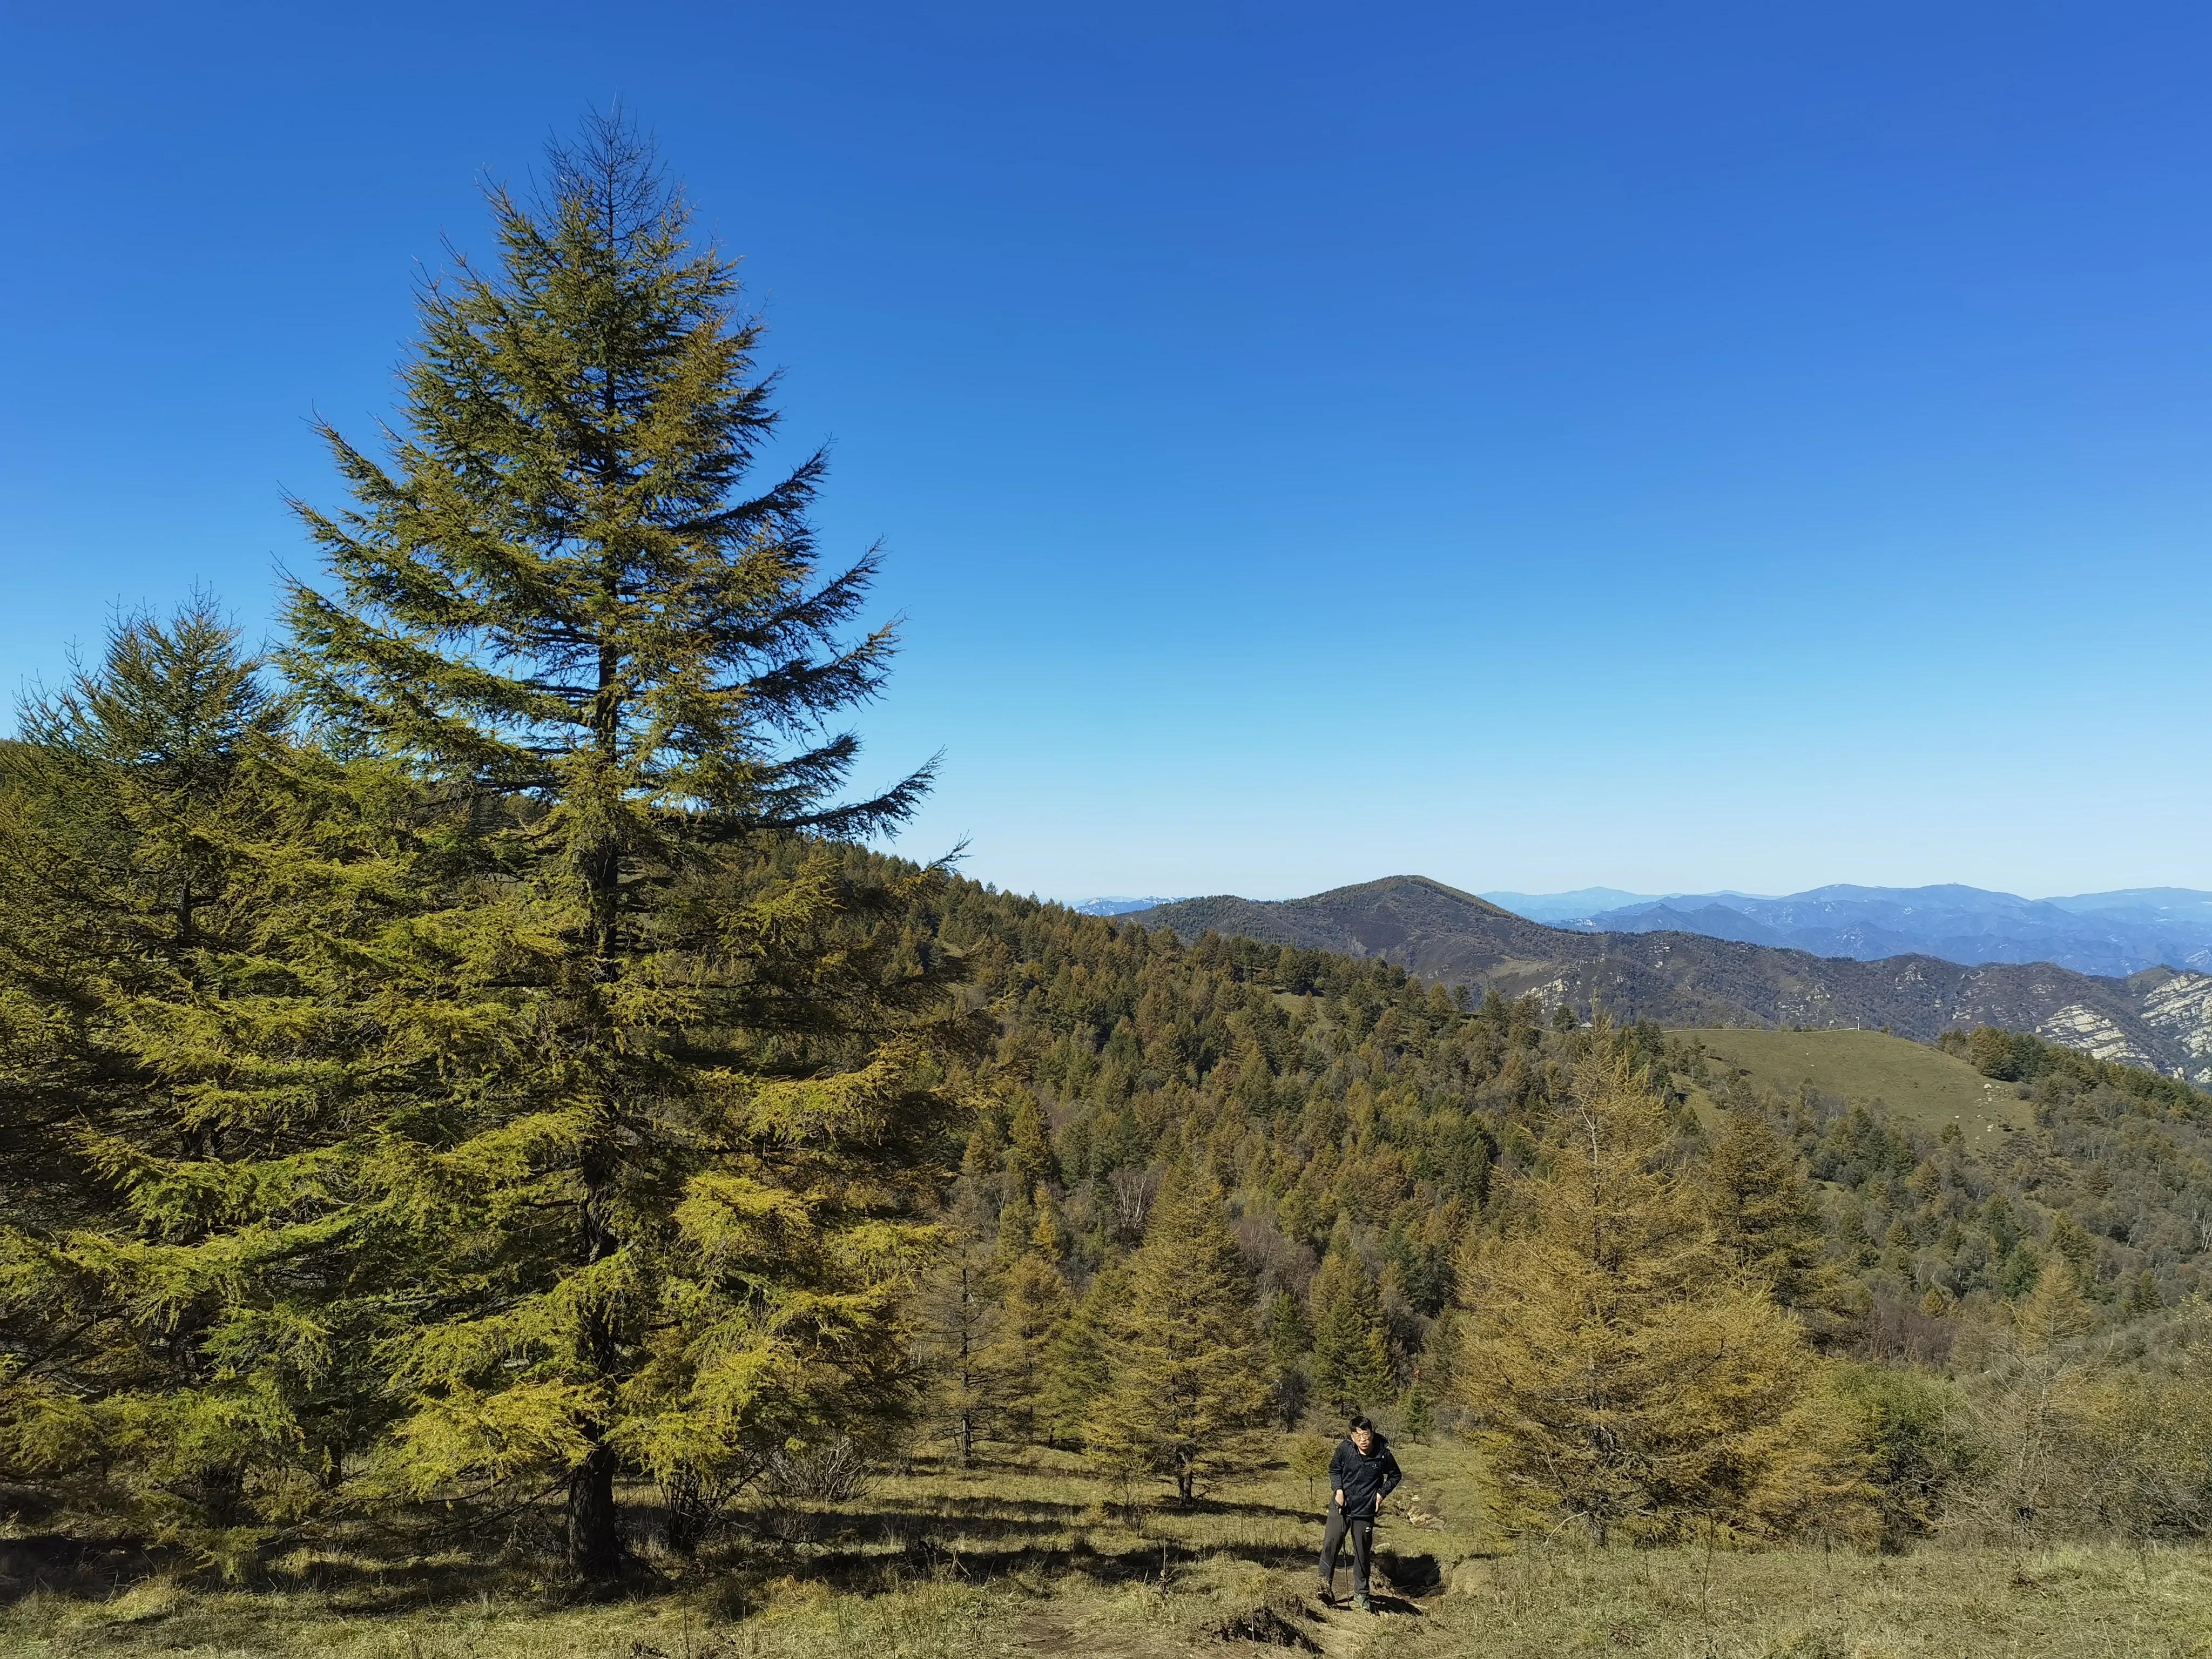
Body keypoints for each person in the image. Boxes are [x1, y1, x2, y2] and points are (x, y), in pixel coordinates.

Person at [1317, 1412, 1401, 1612]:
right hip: (1341, 1506)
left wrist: (1381, 1495)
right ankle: (1322, 1588)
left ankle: (1362, 1594)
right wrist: (1338, 1491)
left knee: (1362, 1552)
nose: (1363, 1440)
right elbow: (1334, 1470)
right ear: (1352, 1437)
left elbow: (1395, 1476)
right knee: (1331, 1544)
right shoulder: (1345, 1450)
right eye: (1358, 1437)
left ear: (1372, 1433)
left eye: (1366, 1435)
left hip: (1365, 1510)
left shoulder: (1383, 1454)